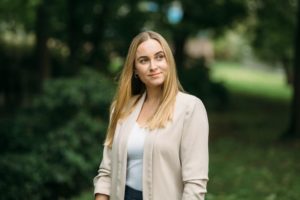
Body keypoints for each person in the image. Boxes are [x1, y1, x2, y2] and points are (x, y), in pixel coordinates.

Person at [93, 30, 209, 200]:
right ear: (135, 70)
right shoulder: (121, 108)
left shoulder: (190, 108)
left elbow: (195, 183)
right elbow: (107, 171)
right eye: (143, 60)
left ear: (169, 61)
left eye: (159, 57)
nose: (153, 66)